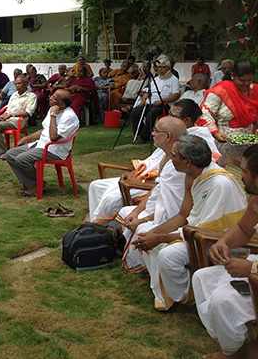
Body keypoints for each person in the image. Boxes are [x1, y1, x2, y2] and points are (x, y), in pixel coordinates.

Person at [150, 135, 246, 311]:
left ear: (187, 162)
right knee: (154, 241)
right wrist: (155, 234)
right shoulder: (193, 175)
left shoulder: (219, 183)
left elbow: (208, 229)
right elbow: (185, 215)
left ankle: (188, 299)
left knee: (168, 255)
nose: (170, 160)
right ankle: (182, 294)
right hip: (196, 233)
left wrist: (163, 238)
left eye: (173, 156)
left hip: (223, 242)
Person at [89, 101, 219, 226]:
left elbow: (173, 195)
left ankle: (104, 233)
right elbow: (152, 161)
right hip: (150, 182)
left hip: (155, 191)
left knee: (113, 202)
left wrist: (143, 184)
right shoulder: (172, 139)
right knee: (96, 186)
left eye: (173, 115)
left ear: (186, 121)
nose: (152, 133)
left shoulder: (189, 147)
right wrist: (135, 172)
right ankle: (96, 229)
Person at [192, 145, 258, 359]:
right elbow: (244, 229)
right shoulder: (256, 199)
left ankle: (232, 351)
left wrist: (251, 268)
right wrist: (224, 243)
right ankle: (236, 345)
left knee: (222, 300)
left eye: (245, 172)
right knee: (201, 278)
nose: (242, 176)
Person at [117, 117, 188, 272]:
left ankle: (157, 278)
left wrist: (142, 219)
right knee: (126, 212)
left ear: (168, 136)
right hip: (158, 212)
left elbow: (174, 209)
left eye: (156, 130)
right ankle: (143, 265)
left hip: (171, 219)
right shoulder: (167, 157)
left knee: (142, 228)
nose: (153, 133)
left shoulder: (179, 166)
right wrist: (136, 211)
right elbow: (156, 190)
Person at [6, 90, 79, 197]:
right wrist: (26, 138)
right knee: (10, 154)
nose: (50, 98)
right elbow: (44, 131)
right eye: (52, 96)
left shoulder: (69, 117)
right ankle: (36, 183)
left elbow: (53, 138)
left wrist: (53, 115)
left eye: (54, 98)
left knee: (21, 159)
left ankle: (37, 185)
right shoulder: (52, 110)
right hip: (41, 144)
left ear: (62, 104)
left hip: (54, 150)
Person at [200, 59, 258, 163]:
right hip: (226, 142)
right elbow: (205, 113)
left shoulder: (255, 90)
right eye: (242, 80)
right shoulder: (221, 90)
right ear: (232, 76)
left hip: (252, 145)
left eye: (250, 80)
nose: (246, 84)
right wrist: (215, 133)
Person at [0, 75, 37, 160]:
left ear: (26, 84)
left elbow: (28, 112)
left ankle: (3, 152)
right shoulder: (14, 95)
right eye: (16, 84)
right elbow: (8, 110)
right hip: (9, 119)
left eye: (19, 83)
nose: (17, 86)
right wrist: (3, 116)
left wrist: (11, 115)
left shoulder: (31, 96)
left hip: (19, 120)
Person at [130, 55, 181, 143]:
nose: (160, 69)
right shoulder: (156, 79)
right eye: (159, 67)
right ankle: (139, 133)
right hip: (151, 102)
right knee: (135, 111)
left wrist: (161, 101)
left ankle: (144, 137)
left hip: (164, 104)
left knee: (152, 113)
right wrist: (144, 98)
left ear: (168, 67)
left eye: (163, 67)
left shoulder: (173, 79)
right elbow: (149, 91)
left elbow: (176, 95)